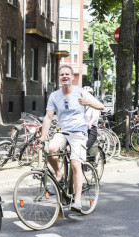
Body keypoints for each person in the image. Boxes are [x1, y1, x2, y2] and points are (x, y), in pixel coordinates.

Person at [40, 65, 104, 212]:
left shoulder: (81, 93)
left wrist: (87, 102)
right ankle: (58, 173)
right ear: (59, 78)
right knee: (49, 149)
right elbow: (48, 117)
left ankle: (78, 201)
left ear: (73, 77)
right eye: (62, 74)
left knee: (76, 164)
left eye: (67, 74)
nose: (64, 76)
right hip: (63, 132)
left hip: (79, 134)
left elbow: (100, 106)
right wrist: (43, 137)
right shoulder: (54, 96)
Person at [83, 87, 100, 155]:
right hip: (82, 129)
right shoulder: (81, 104)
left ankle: (86, 164)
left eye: (89, 94)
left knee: (85, 147)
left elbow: (95, 116)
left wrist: (90, 123)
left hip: (91, 130)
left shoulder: (94, 103)